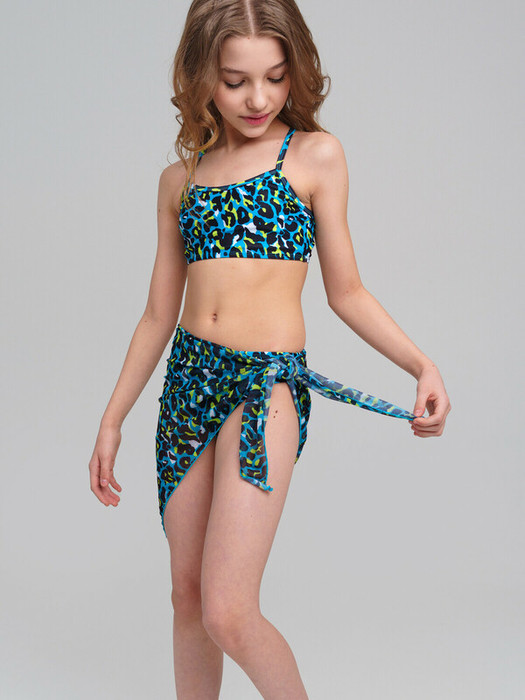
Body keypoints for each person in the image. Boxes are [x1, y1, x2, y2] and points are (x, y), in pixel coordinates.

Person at [89, 1, 451, 697]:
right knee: (188, 597)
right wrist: (112, 420)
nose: (258, 98)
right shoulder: (181, 180)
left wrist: (421, 364)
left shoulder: (313, 156)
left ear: (295, 73)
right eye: (235, 81)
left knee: (228, 609)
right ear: (202, 77)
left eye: (275, 77)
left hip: (265, 389)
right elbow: (158, 313)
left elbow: (346, 292)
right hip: (188, 381)